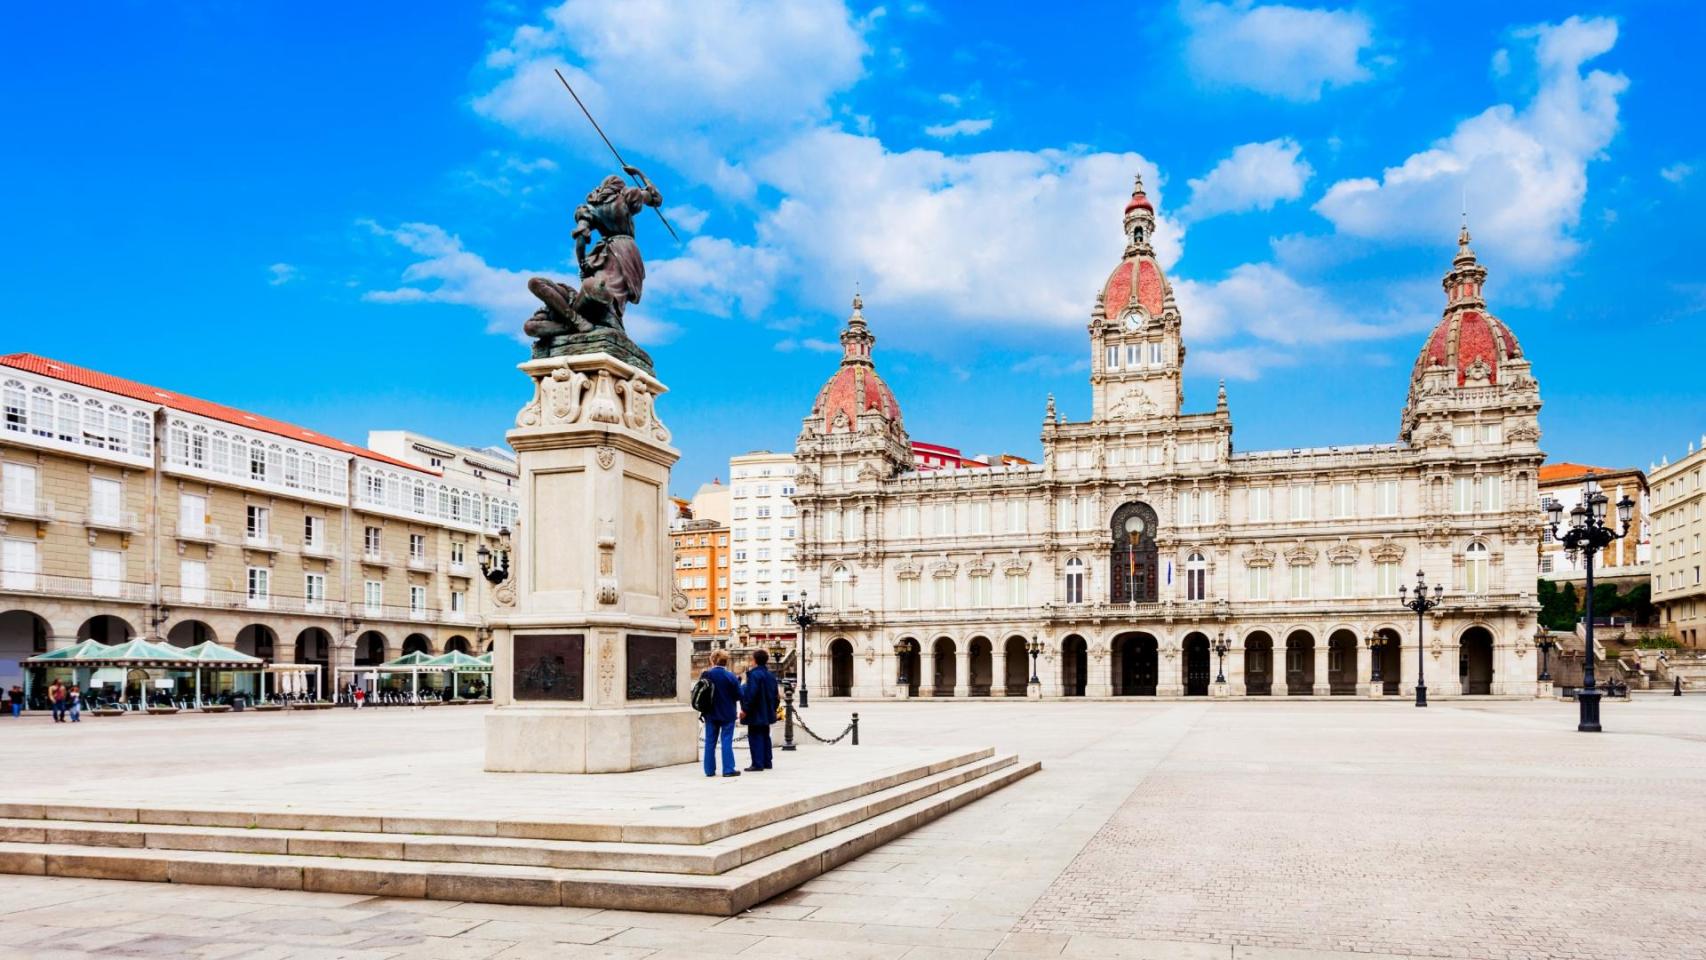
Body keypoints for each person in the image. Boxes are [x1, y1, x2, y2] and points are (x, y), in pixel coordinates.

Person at [699, 648, 741, 778]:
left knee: (710, 741)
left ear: (712, 660)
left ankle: (709, 770)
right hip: (727, 713)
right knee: (726, 740)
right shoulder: (730, 676)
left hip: (710, 712)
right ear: (726, 662)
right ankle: (728, 769)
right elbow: (739, 695)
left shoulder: (706, 674)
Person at [740, 650, 781, 772]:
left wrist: (745, 709)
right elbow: (776, 696)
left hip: (755, 712)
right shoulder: (770, 675)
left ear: (755, 660)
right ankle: (767, 761)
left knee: (755, 736)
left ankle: (757, 763)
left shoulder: (753, 675)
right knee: (765, 736)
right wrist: (772, 709)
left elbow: (751, 694)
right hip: (767, 711)